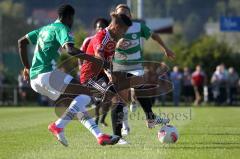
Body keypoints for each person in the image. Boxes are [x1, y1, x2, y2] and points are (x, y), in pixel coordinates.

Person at [18, 4, 120, 147]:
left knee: (77, 105)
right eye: (72, 19)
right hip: (48, 75)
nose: (72, 23)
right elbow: (70, 50)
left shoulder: (44, 29)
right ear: (68, 17)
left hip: (35, 80)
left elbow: (21, 42)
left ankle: (100, 136)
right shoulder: (62, 28)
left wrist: (27, 68)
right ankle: (58, 126)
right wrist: (96, 60)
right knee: (86, 94)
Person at [111, 4, 175, 144]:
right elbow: (103, 47)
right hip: (118, 67)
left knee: (141, 85)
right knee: (120, 101)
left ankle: (149, 116)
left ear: (130, 16)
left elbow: (154, 35)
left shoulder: (138, 27)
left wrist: (166, 49)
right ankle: (118, 136)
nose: (123, 16)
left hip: (135, 66)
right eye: (120, 13)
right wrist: (116, 45)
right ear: (116, 15)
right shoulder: (111, 29)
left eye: (125, 14)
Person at [79, 18, 110, 127]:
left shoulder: (108, 40)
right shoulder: (89, 40)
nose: (100, 28)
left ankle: (102, 119)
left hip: (104, 73)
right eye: (98, 27)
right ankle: (96, 119)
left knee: (109, 97)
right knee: (100, 98)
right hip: (92, 75)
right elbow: (80, 54)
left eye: (102, 26)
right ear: (95, 28)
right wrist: (80, 66)